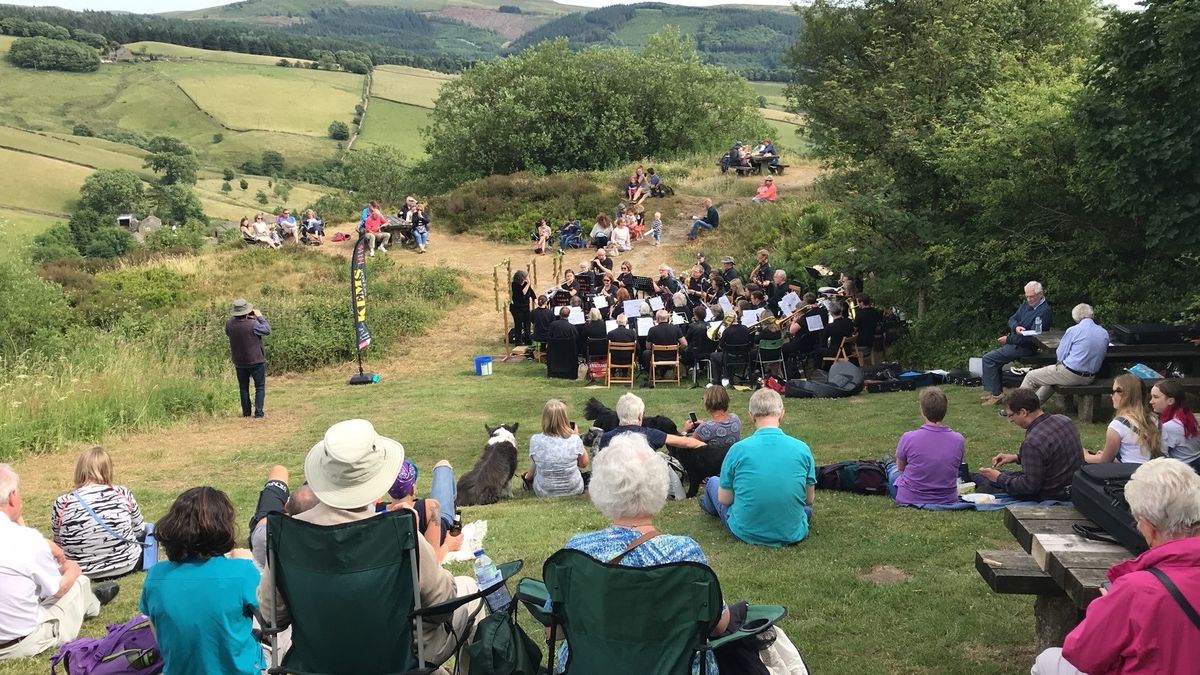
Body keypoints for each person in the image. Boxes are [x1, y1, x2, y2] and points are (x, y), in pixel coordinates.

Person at [258, 420, 482, 667]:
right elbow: (442, 607)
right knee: (471, 590)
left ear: (323, 473)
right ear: (376, 475)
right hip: (400, 657)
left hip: (320, 660)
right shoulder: (399, 532)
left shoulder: (289, 536)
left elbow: (271, 617)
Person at [559, 433, 728, 675]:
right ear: (659, 485)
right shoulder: (684, 553)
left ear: (601, 487)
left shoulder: (578, 551)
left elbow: (553, 630)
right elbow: (719, 624)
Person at [1031, 458, 1200, 675]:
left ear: (1148, 527)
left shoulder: (1137, 590)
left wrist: (1105, 607)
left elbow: (1082, 654)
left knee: (1046, 661)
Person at [0, 464, 118, 662]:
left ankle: (88, 600)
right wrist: (73, 568)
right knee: (78, 582)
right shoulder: (25, 540)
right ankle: (92, 602)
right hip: (19, 643)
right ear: (12, 496)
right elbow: (57, 589)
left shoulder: (24, 540)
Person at [140, 486, 262, 675]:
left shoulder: (155, 575)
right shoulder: (243, 572)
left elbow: (158, 631)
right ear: (223, 527)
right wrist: (249, 563)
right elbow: (273, 620)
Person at [699, 389, 815, 547]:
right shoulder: (802, 449)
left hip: (746, 530)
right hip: (792, 531)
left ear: (751, 416)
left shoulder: (738, 450)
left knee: (713, 482)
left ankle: (706, 504)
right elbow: (808, 499)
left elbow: (725, 499)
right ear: (781, 414)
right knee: (805, 511)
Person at [51, 446, 146, 580]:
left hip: (80, 571)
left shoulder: (62, 502)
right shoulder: (122, 493)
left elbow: (58, 542)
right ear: (108, 469)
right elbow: (139, 531)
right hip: (127, 564)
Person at [975, 388, 1082, 500]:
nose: (1010, 420)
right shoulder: (1064, 420)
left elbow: (1028, 487)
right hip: (1072, 486)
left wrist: (999, 478)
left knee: (985, 482)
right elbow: (1052, 455)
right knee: (993, 476)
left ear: (1023, 412)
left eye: (1011, 415)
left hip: (1052, 494)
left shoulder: (1033, 442)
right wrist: (1016, 457)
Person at [885, 388, 965, 506]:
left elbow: (901, 468)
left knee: (893, 471)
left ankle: (886, 464)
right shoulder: (958, 440)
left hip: (911, 497)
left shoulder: (909, 437)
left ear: (922, 410)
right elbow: (956, 467)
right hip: (947, 498)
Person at [981, 281, 1053, 405]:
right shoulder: (1026, 304)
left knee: (989, 359)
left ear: (1040, 294)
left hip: (1026, 347)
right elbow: (1012, 318)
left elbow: (1030, 337)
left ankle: (996, 395)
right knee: (993, 358)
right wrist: (1016, 327)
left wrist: (1008, 339)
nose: (1029, 299)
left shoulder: (1044, 311)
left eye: (1032, 296)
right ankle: (995, 392)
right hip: (1016, 341)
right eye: (1027, 296)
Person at [1019, 303, 1109, 403]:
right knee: (1051, 380)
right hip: (1090, 377)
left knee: (1031, 376)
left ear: (1076, 317)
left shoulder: (1073, 330)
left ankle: (1016, 406)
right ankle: (1033, 406)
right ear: (1091, 315)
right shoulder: (1104, 332)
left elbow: (1060, 355)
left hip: (1071, 373)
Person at [384, 459, 463, 563]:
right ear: (413, 489)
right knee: (443, 465)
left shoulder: (376, 510)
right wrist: (449, 545)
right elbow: (433, 560)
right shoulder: (431, 507)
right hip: (443, 520)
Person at [246, 466, 318, 570]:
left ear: (286, 506)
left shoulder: (265, 535)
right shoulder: (326, 537)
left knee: (279, 470)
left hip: (271, 527)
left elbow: (265, 522)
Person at [1084, 374, 1161, 465]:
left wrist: (1085, 455)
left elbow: (1104, 461)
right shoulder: (1155, 420)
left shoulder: (1118, 425)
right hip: (1154, 472)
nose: (1111, 395)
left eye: (1114, 391)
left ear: (1125, 395)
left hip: (1131, 476)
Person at [521, 399, 589, 498]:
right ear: (565, 418)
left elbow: (536, 461)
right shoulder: (574, 439)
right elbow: (584, 464)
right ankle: (529, 477)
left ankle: (528, 478)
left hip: (544, 491)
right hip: (574, 488)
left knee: (540, 459)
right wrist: (577, 436)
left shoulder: (535, 440)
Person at [598, 393, 705, 451]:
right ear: (640, 416)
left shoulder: (605, 438)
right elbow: (687, 442)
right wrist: (710, 447)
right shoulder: (650, 434)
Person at [225, 298, 271, 419]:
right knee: (259, 386)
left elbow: (229, 333)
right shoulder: (253, 324)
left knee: (243, 388)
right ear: (247, 311)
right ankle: (258, 413)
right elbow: (267, 330)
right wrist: (260, 317)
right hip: (256, 360)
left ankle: (246, 413)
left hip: (239, 361)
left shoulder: (229, 324)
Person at [1151, 379, 1200, 470]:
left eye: (1155, 397)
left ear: (1170, 401)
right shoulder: (1188, 418)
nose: (1151, 401)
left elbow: (1159, 456)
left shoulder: (1170, 426)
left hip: (1183, 471)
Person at [681, 385, 742, 453]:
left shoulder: (705, 428)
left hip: (714, 462)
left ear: (707, 402)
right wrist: (705, 423)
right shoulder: (735, 418)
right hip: (732, 458)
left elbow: (687, 444)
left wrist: (684, 431)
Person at [709, 310, 752, 387]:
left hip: (729, 358)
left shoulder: (727, 331)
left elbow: (721, 346)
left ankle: (717, 380)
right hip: (743, 357)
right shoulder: (745, 328)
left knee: (713, 355)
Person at [642, 309, 687, 376]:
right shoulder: (676, 328)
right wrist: (677, 348)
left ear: (657, 319)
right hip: (673, 356)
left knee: (645, 353)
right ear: (668, 318)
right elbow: (685, 344)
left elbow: (648, 347)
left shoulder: (652, 330)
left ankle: (653, 374)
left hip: (657, 357)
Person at [852, 294, 883, 360]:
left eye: (858, 302)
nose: (857, 304)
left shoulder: (859, 314)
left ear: (862, 303)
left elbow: (854, 329)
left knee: (846, 346)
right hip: (872, 339)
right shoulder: (875, 312)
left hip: (861, 341)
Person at [510, 270, 535, 346]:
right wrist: (528, 284)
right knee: (519, 325)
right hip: (517, 308)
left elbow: (531, 293)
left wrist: (536, 300)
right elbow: (522, 293)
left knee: (527, 324)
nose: (527, 279)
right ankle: (518, 342)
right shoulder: (515, 285)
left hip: (526, 307)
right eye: (526, 277)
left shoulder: (526, 284)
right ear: (521, 278)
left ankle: (528, 340)